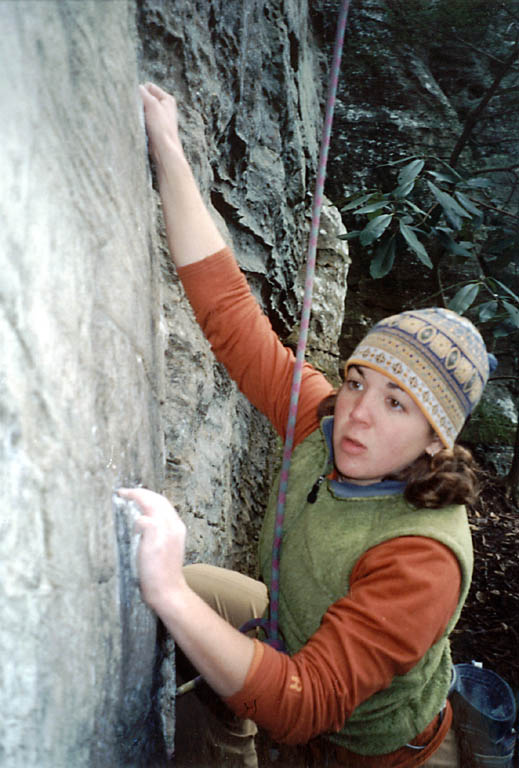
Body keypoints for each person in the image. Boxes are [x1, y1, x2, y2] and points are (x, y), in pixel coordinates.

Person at [118, 82, 495, 768]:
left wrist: (166, 588)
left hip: (368, 747)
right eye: (357, 381)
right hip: (289, 622)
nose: (355, 413)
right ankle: (225, 735)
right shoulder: (324, 422)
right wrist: (168, 150)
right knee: (195, 597)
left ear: (436, 439)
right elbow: (231, 315)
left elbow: (305, 704)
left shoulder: (423, 559)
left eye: (396, 403)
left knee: (181, 596)